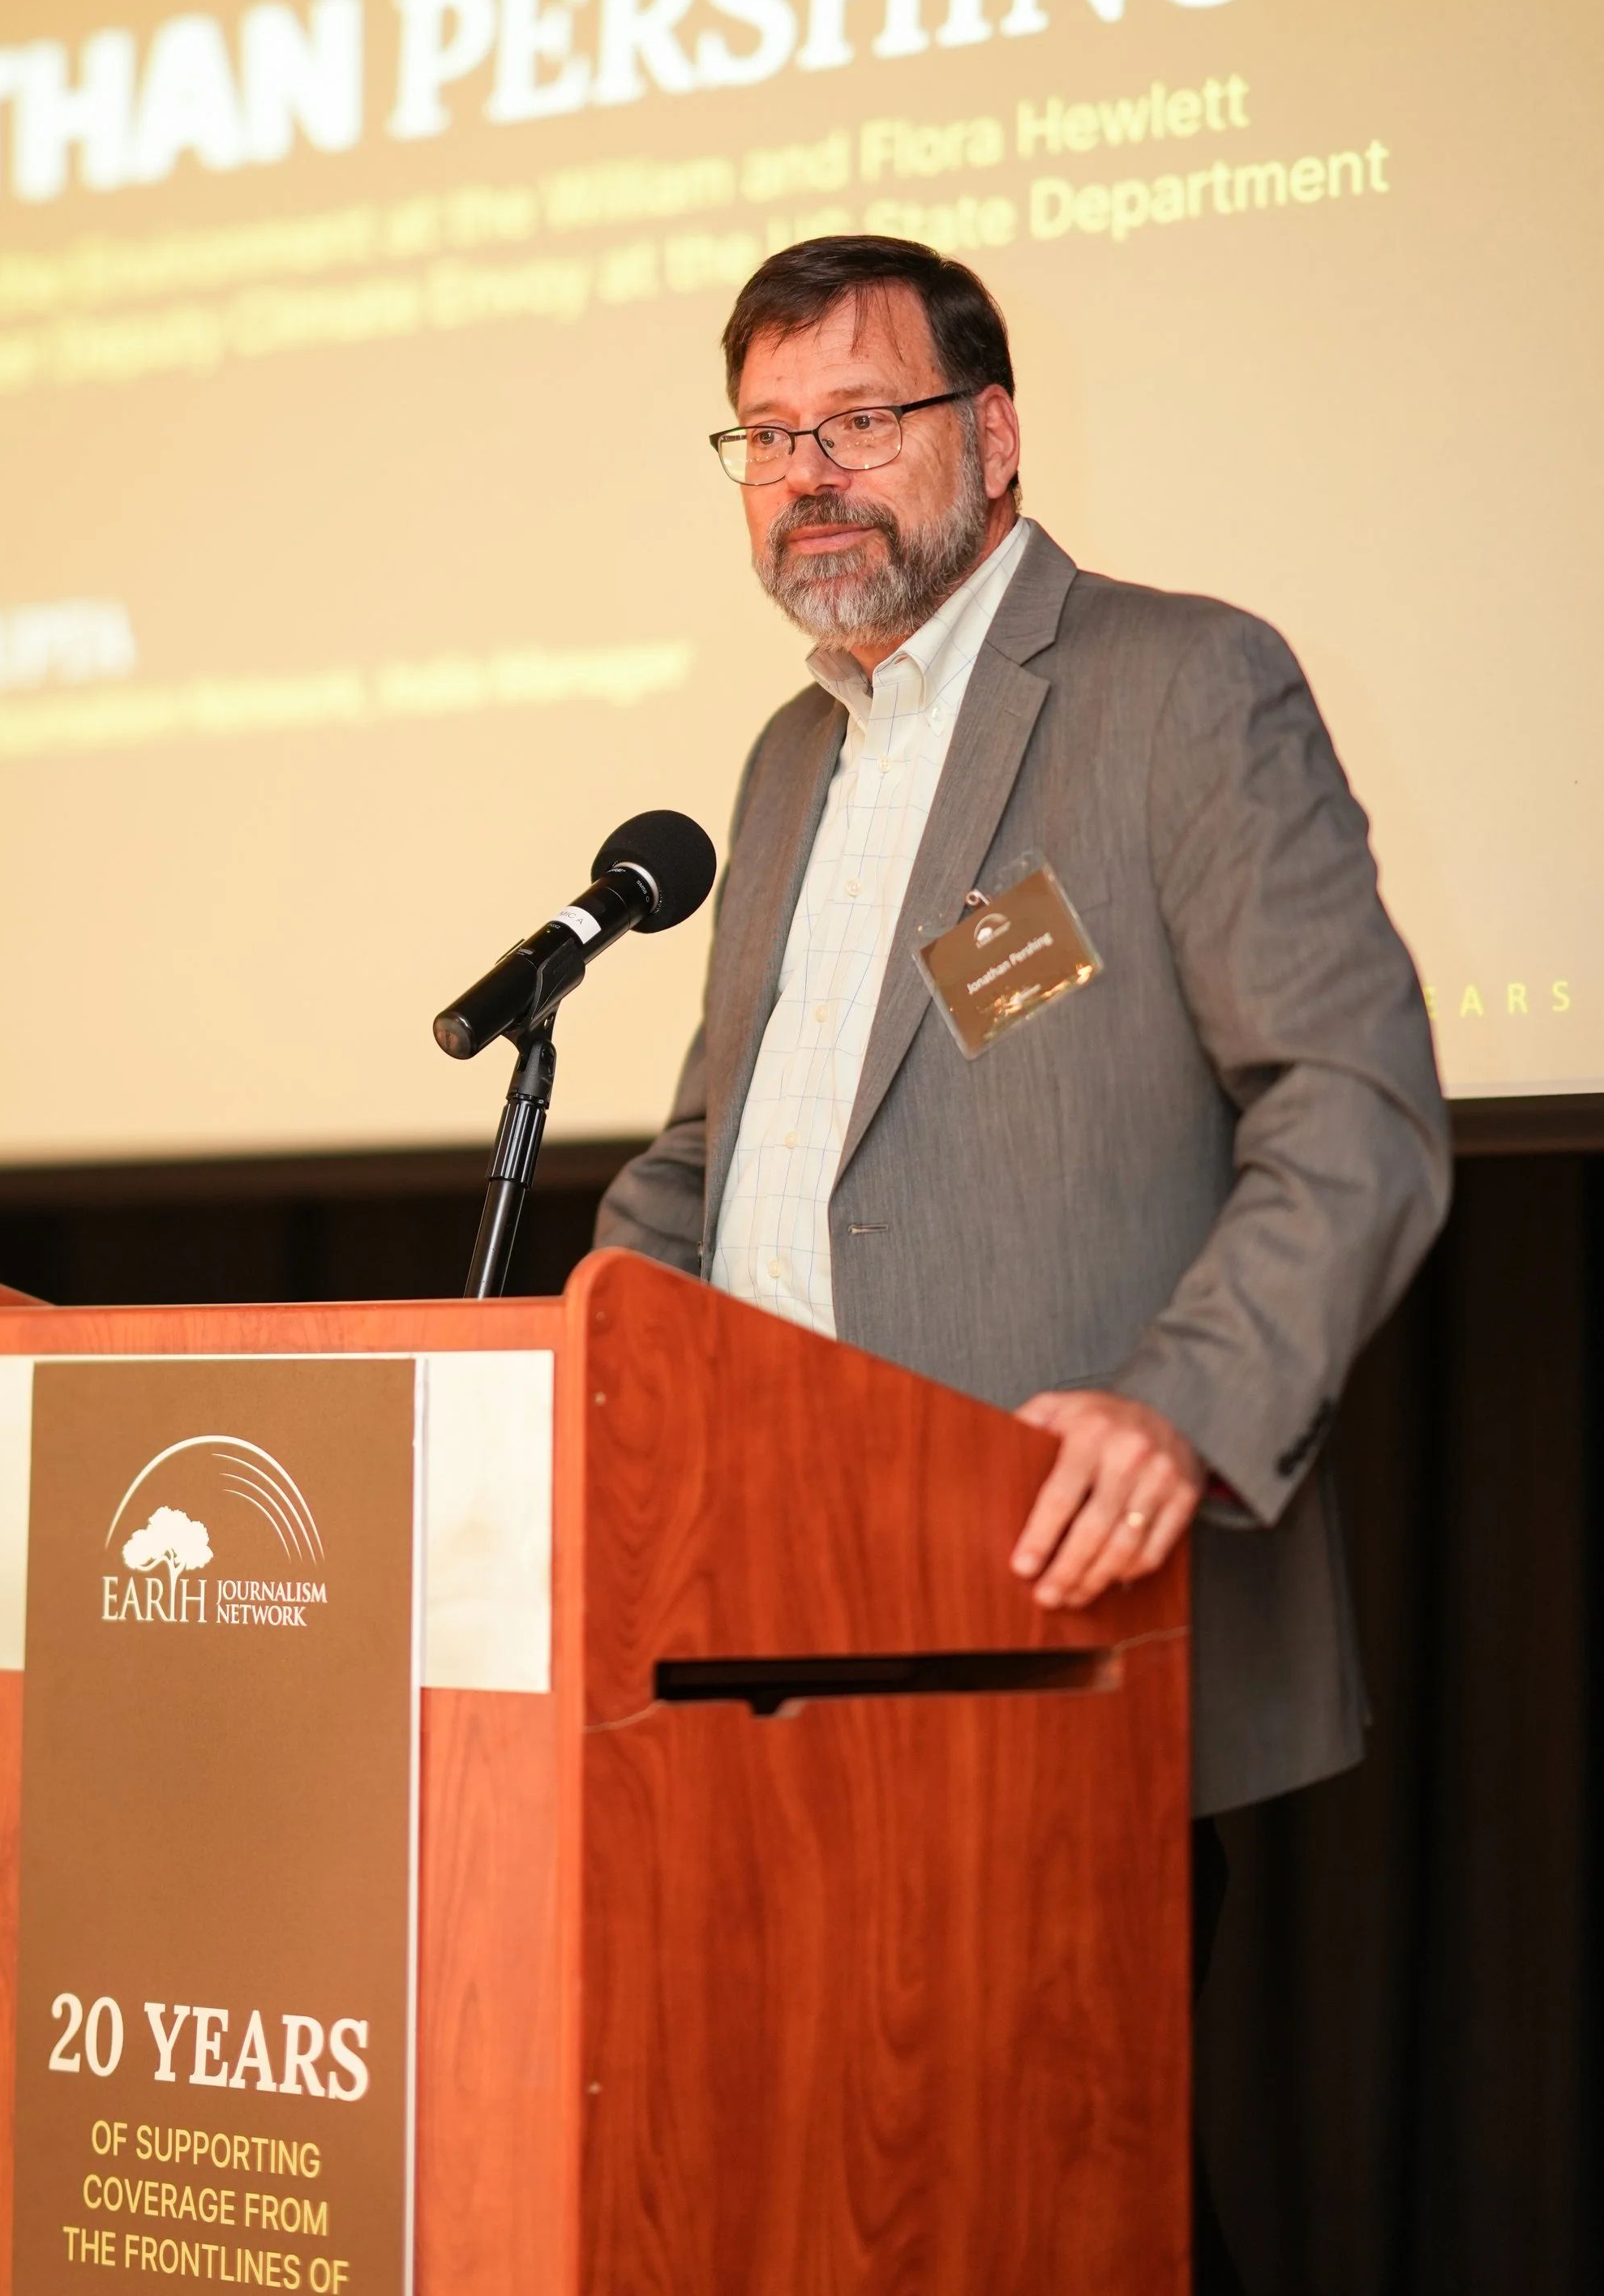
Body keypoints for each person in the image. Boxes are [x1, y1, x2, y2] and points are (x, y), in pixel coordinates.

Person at [594, 234, 1450, 2289]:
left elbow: (1354, 1101)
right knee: (848, 2209)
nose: (810, 474)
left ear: (986, 436)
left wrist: (1180, 1411)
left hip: (1046, 1636)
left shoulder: (1175, 685)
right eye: (769, 435)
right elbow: (716, 1167)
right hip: (770, 1647)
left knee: (1056, 2215)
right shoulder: (784, 766)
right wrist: (559, 1387)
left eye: (858, 423)